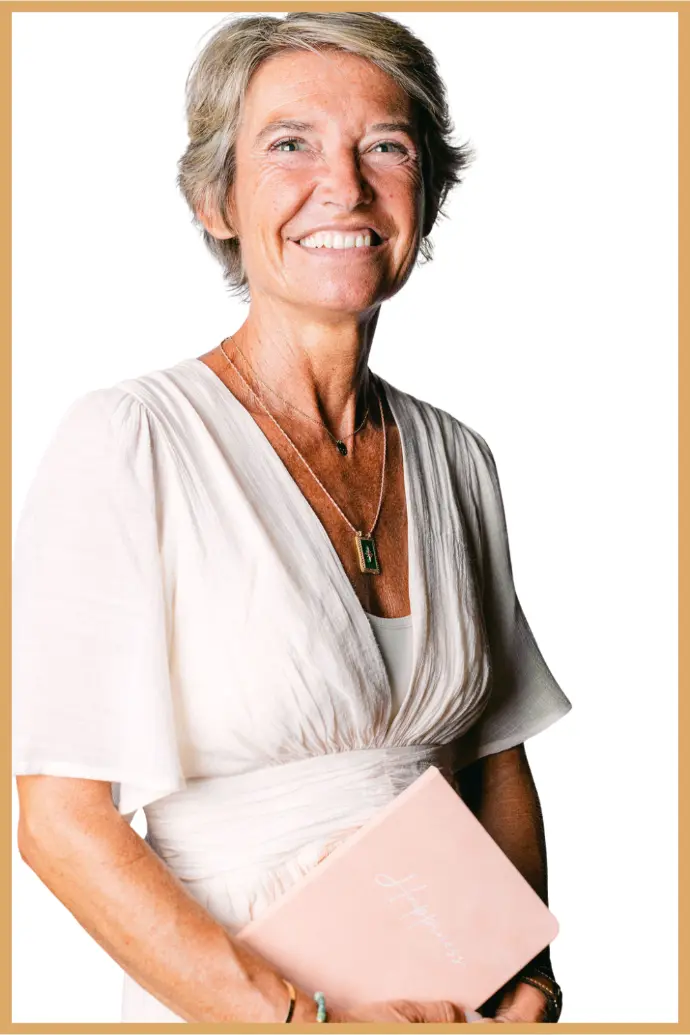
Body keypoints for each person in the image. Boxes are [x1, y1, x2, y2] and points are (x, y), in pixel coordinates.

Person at [12, 11, 572, 1024]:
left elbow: (496, 763)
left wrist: (526, 974)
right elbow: (60, 822)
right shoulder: (129, 440)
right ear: (214, 199)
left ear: (428, 195)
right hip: (236, 1008)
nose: (345, 187)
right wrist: (303, 1022)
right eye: (289, 145)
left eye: (387, 147)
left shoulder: (458, 458)